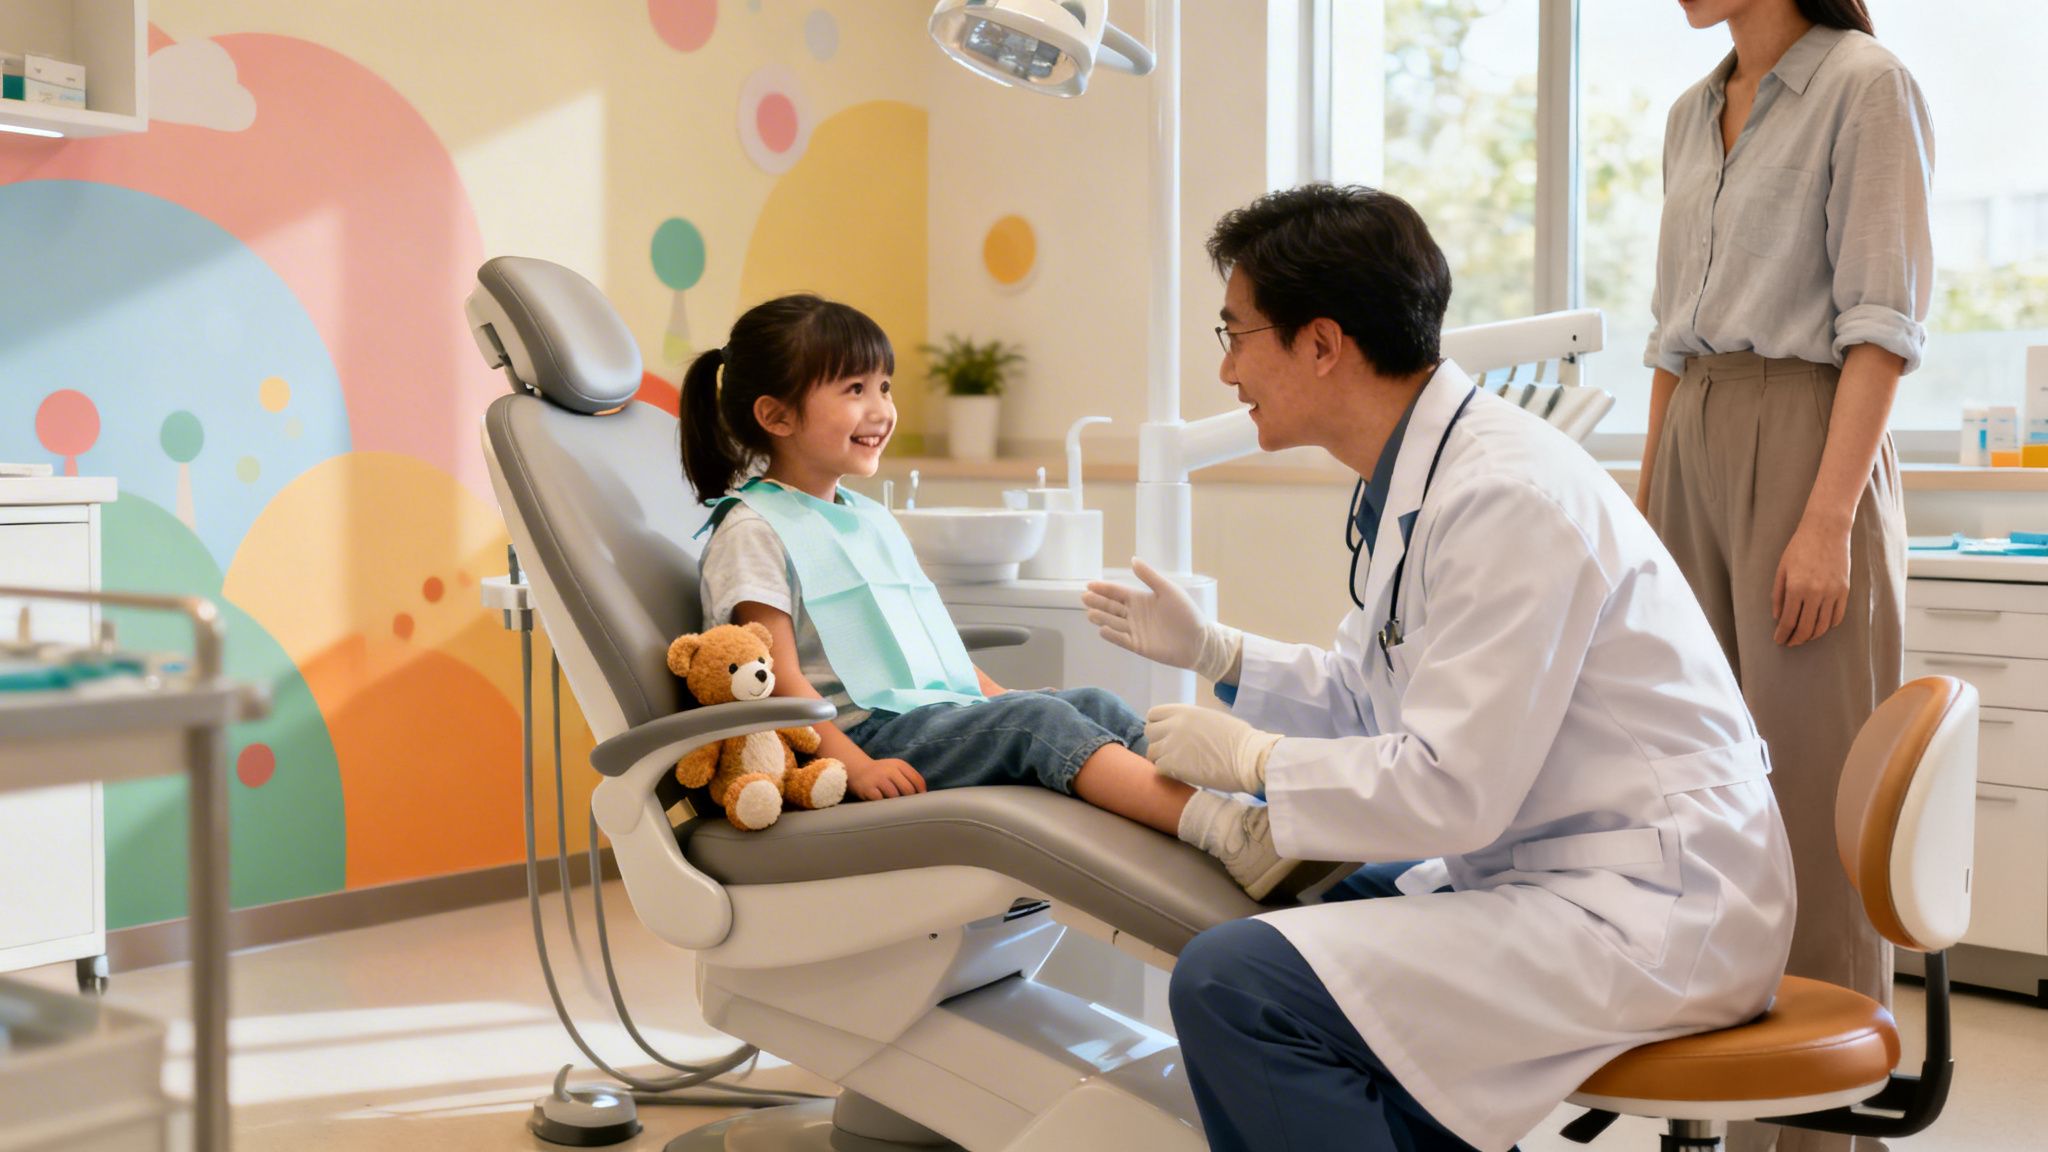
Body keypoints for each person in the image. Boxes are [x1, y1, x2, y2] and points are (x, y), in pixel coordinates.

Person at [1082, 184, 1796, 1152]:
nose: (1222, 368)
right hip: (1560, 864)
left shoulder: (1503, 494)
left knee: (1234, 982)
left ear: (1322, 342)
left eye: (1234, 332)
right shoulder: (1420, 480)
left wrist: (1253, 762)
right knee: (1309, 909)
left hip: (1654, 905)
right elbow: (1365, 693)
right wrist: (1218, 652)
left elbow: (1451, 787)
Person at [678, 293, 1341, 900]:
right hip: (854, 740)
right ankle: (1227, 834)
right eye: (855, 390)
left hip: (919, 718)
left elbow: (930, 645)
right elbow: (777, 678)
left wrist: (1003, 700)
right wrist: (853, 764)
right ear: (776, 415)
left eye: (883, 386)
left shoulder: (863, 516)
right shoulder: (754, 528)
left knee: (1086, 705)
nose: (882, 409)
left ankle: (1259, 819)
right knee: (1040, 728)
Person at [1636, 5, 1930, 1147]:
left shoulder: (1865, 86)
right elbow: (1669, 337)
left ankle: (1816, 1128)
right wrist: (1650, 501)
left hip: (1808, 443)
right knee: (1692, 788)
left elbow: (1880, 325)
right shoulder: (1687, 115)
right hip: (1696, 435)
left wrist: (1825, 519)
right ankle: (1715, 1097)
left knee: (1810, 800)